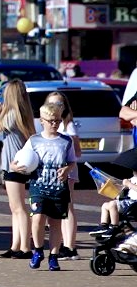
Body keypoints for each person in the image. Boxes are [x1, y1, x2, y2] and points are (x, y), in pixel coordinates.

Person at [12, 99, 77, 271]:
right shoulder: (34, 141)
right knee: (38, 219)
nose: (55, 124)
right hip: (38, 186)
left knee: (55, 223)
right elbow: (19, 159)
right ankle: (38, 250)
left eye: (58, 120)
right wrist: (14, 166)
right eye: (51, 121)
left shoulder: (66, 141)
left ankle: (54, 256)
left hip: (59, 188)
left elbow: (72, 162)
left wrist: (67, 169)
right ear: (42, 121)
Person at [0, 79, 35, 259]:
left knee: (18, 207)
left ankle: (25, 247)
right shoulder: (22, 113)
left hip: (13, 163)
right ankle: (16, 245)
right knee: (15, 207)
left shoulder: (11, 114)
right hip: (17, 162)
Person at [51, 92, 81, 259]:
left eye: (58, 104)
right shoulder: (51, 125)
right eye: (51, 104)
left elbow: (77, 152)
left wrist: (66, 162)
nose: (55, 107)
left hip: (67, 170)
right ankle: (65, 243)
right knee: (60, 207)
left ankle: (70, 246)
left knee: (67, 206)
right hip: (54, 171)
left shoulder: (68, 126)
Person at [90, 169, 137, 237]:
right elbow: (121, 188)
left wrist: (129, 184)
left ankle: (115, 226)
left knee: (112, 204)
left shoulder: (130, 181)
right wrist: (109, 184)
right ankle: (104, 225)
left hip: (134, 203)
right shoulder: (132, 179)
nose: (133, 171)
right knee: (105, 205)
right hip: (127, 201)